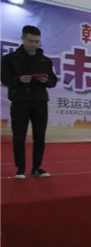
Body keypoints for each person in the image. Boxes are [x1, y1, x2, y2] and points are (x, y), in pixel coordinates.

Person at [1, 25, 57, 178]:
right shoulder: (10, 59)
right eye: (31, 41)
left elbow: (53, 80)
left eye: (37, 41)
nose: (34, 44)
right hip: (19, 101)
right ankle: (20, 169)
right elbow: (4, 79)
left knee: (40, 136)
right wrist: (18, 80)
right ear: (23, 39)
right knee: (19, 136)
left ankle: (37, 167)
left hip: (40, 102)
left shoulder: (45, 60)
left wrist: (46, 81)